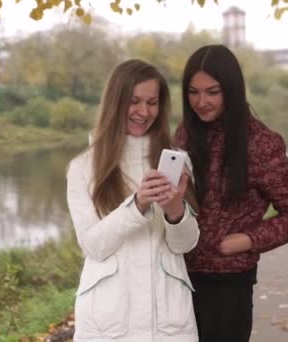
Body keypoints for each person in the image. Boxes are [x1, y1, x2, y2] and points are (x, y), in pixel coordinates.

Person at [175, 44, 288, 342]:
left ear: (232, 90)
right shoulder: (184, 133)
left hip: (228, 285)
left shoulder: (260, 144)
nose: (201, 102)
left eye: (212, 92)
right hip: (177, 277)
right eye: (193, 92)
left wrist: (249, 240)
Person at [66, 59, 200, 342]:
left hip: (168, 321)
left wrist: (175, 210)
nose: (144, 112)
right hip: (108, 323)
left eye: (152, 102)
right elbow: (94, 245)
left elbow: (184, 244)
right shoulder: (83, 167)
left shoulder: (177, 161)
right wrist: (137, 204)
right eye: (134, 101)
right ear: (115, 102)